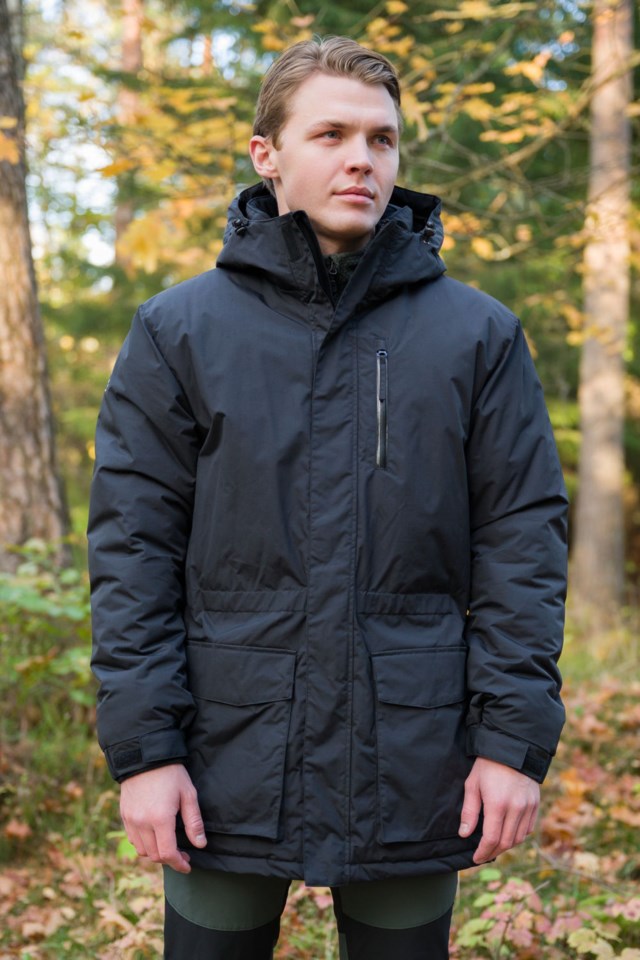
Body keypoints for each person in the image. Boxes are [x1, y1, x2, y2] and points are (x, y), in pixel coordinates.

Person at [88, 36, 568, 960]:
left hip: (413, 755)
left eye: (382, 139)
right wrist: (147, 752)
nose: (362, 159)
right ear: (267, 154)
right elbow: (132, 552)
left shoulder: (478, 335)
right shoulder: (178, 331)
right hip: (226, 756)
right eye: (332, 134)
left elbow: (523, 545)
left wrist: (510, 743)